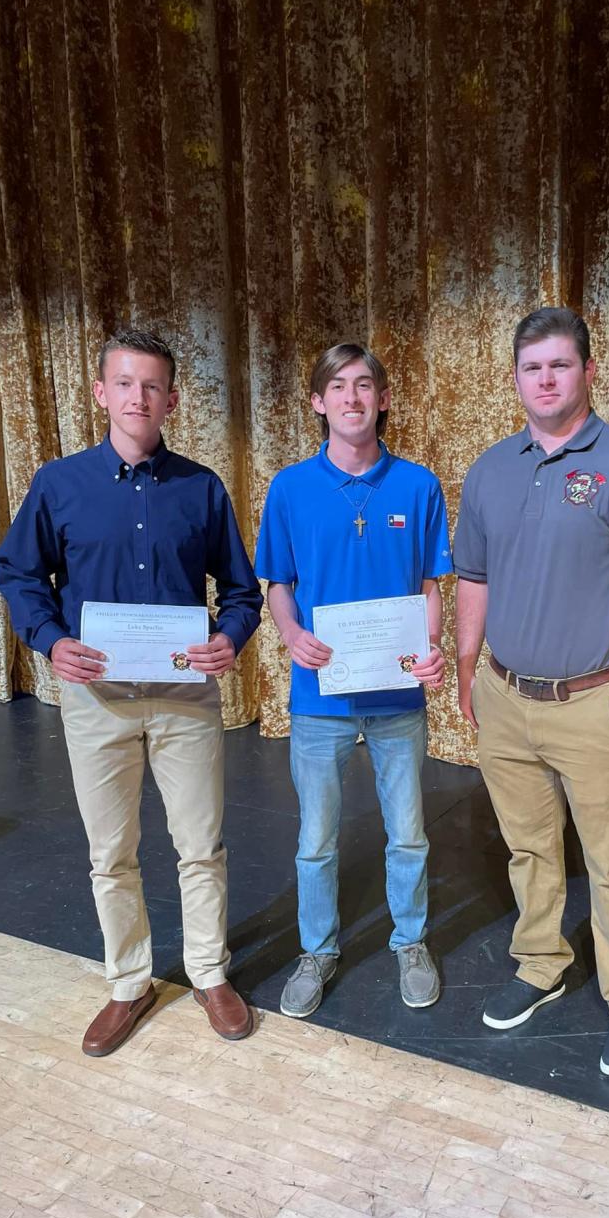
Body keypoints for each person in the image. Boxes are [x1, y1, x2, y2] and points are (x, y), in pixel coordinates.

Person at [0, 328, 262, 1056]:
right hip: (97, 700)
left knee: (200, 845)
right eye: (125, 382)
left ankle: (208, 972)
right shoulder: (59, 483)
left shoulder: (201, 487)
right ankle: (129, 983)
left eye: (152, 386)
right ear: (100, 392)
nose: (138, 396)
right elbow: (17, 573)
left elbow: (241, 591)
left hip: (184, 699)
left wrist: (229, 637)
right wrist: (50, 639)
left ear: (171, 399)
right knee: (111, 851)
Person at [453, 307, 609, 1078]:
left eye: (559, 364)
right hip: (505, 696)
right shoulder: (490, 469)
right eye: (531, 367)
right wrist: (466, 668)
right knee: (527, 846)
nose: (545, 379)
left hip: (595, 701)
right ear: (515, 378)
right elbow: (474, 578)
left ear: (587, 371)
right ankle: (540, 964)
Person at [255, 344, 451, 1018]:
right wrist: (290, 632)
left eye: (364, 385)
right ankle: (319, 949)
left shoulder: (419, 485)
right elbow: (277, 585)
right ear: (317, 402)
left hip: (397, 697)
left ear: (384, 398)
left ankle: (411, 940)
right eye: (337, 387)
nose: (351, 397)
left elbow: (429, 584)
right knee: (317, 839)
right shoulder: (289, 488)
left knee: (409, 835)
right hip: (320, 699)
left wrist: (433, 644)